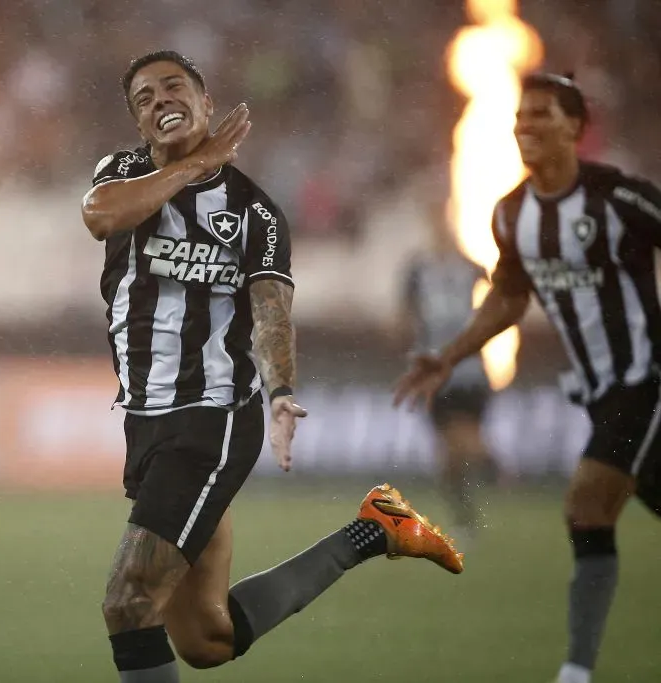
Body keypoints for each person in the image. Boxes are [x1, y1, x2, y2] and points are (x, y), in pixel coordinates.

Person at [82, 50, 463, 683]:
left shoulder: (254, 213)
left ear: (207, 104)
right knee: (206, 639)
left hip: (209, 421)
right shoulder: (119, 174)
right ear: (138, 123)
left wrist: (281, 391)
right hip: (145, 422)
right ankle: (374, 531)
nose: (159, 100)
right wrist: (198, 163)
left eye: (173, 87)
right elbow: (102, 217)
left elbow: (272, 313)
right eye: (144, 98)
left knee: (128, 603)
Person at [393, 73, 661, 683]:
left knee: (586, 505)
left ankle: (576, 670)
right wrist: (451, 353)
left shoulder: (619, 200)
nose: (525, 127)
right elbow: (509, 299)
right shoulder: (513, 214)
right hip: (596, 389)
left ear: (575, 126)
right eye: (520, 117)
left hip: (646, 378)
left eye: (541, 115)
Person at [398, 200, 498, 537]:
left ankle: (494, 467)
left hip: (467, 367)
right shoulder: (418, 269)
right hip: (433, 370)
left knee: (464, 439)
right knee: (448, 455)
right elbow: (404, 315)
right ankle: (465, 515)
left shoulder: (469, 267)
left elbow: (501, 296)